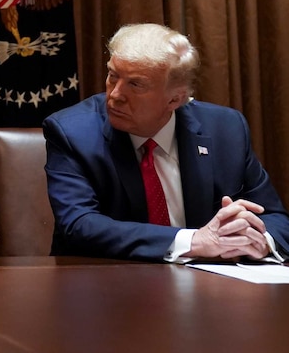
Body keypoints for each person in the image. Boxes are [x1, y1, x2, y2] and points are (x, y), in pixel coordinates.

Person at [44, 23, 289, 262]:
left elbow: (274, 217)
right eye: (112, 76)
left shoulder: (226, 129)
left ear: (175, 100)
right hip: (107, 284)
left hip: (209, 288)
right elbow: (78, 224)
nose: (115, 94)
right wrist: (193, 242)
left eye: (135, 84)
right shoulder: (71, 132)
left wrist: (257, 240)